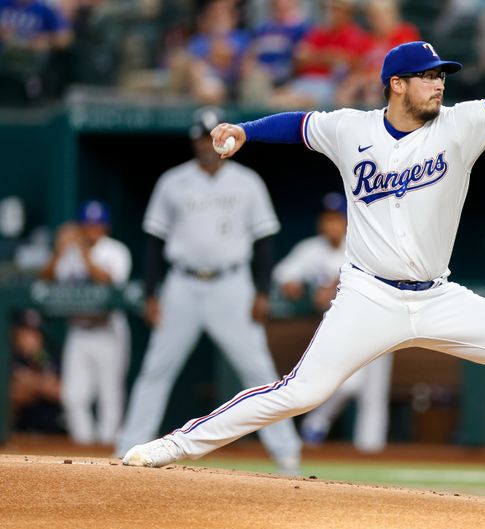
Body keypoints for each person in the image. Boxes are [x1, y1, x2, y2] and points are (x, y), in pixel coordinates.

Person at [122, 41, 485, 500]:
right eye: (427, 76)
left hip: (438, 297)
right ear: (396, 84)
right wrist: (246, 130)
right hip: (368, 297)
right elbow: (298, 124)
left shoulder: (462, 124)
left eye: (441, 75)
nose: (438, 83)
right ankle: (176, 445)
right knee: (302, 391)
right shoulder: (351, 130)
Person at [114, 106, 302, 475]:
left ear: (226, 139)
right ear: (194, 141)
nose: (206, 144)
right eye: (201, 137)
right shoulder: (173, 181)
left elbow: (265, 240)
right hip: (181, 285)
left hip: (232, 285)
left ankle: (286, 454)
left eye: (212, 137)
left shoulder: (247, 182)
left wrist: (261, 291)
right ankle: (126, 446)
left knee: (259, 371)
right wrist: (152, 294)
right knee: (156, 369)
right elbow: (154, 240)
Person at [273, 192, 394, 453]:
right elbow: (284, 272)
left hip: (379, 324)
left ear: (348, 221)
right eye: (327, 219)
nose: (332, 224)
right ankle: (318, 421)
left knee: (374, 396)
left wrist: (336, 287)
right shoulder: (311, 249)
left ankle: (370, 453)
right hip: (345, 330)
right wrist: (290, 282)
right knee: (351, 383)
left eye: (337, 219)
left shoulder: (362, 244)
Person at [39, 200, 131, 446]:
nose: (93, 229)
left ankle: (108, 450)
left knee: (110, 397)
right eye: (88, 225)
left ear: (106, 227)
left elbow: (109, 283)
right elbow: (43, 281)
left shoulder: (116, 251)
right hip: (79, 331)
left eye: (97, 224)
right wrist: (59, 251)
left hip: (108, 330)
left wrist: (84, 253)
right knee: (73, 396)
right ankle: (85, 450)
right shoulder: (69, 252)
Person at [9, 309, 64, 435]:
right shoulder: (9, 356)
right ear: (16, 332)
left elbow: (60, 392)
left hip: (52, 431)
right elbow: (12, 396)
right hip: (19, 433)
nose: (31, 337)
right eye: (26, 331)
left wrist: (31, 382)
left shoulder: (47, 356)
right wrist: (41, 386)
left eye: (35, 331)